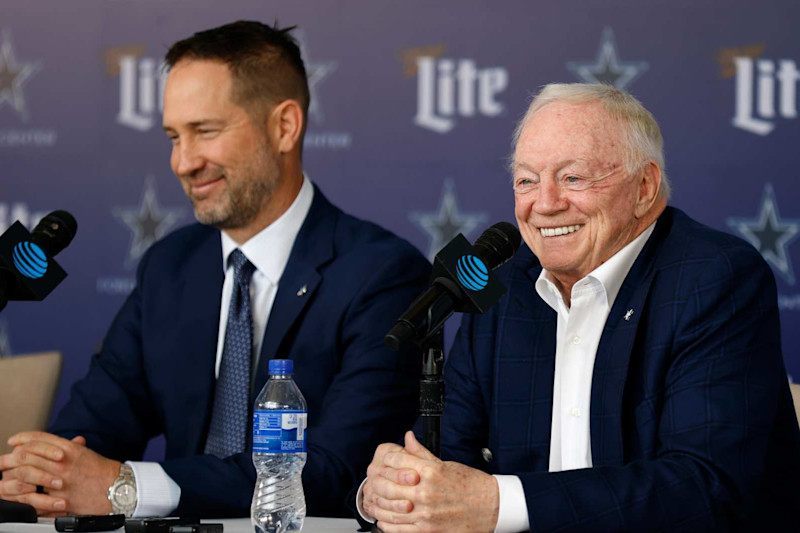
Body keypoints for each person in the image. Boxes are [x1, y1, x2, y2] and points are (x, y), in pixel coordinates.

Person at [0, 20, 429, 519]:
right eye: (173, 136)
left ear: (284, 126)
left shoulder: (383, 275)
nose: (183, 162)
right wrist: (45, 473)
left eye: (204, 131)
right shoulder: (169, 266)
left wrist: (127, 485)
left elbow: (339, 470)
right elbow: (94, 422)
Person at [359, 83, 800, 532]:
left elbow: (704, 487)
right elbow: (448, 458)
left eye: (573, 178)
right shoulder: (504, 286)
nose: (545, 204)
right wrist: (397, 489)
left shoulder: (715, 278)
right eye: (527, 180)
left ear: (644, 186)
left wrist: (499, 503)